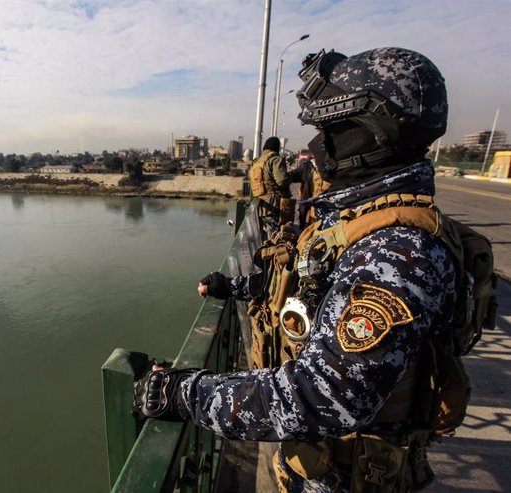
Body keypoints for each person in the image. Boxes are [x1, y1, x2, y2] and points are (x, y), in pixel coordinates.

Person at [134, 47, 489, 492]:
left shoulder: (396, 251)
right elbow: (310, 285)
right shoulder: (362, 221)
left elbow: (323, 395)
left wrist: (186, 393)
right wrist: (241, 286)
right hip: (320, 464)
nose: (319, 141)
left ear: (369, 132)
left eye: (330, 127)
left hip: (348, 475)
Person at [250, 136, 294, 228]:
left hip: (261, 204)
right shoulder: (275, 160)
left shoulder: (257, 161)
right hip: (274, 204)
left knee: (264, 232)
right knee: (276, 234)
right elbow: (282, 180)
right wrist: (289, 178)